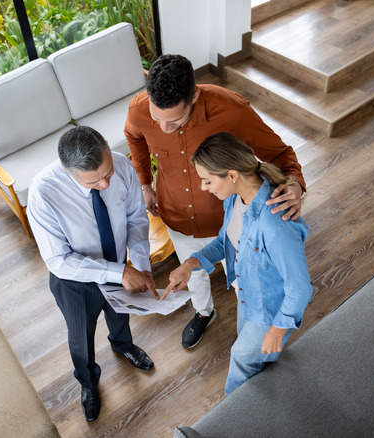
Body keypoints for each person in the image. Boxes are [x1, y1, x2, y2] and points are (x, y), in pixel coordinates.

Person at [124, 54, 307, 348]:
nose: (163, 129)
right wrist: (145, 182)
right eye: (157, 119)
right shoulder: (139, 109)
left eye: (174, 121)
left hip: (231, 223)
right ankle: (203, 312)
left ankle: (248, 327)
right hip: (176, 218)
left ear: (194, 95)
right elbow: (133, 137)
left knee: (243, 285)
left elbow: (280, 153)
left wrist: (295, 184)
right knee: (191, 276)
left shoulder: (233, 110)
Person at [163, 132, 313, 394]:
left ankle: (230, 419)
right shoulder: (235, 199)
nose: (203, 187)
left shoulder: (275, 223)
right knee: (257, 359)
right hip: (247, 297)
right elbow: (227, 242)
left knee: (241, 360)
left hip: (269, 312)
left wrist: (278, 330)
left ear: (232, 175)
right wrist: (190, 264)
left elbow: (300, 288)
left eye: (207, 181)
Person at [27, 126, 159, 422]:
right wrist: (119, 272)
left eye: (108, 174)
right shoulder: (43, 193)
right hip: (75, 280)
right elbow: (58, 260)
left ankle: (123, 344)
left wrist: (139, 266)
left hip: (120, 260)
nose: (105, 183)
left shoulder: (120, 164)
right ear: (69, 171)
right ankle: (88, 382)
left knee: (121, 313)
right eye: (94, 181)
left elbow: (136, 218)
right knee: (81, 336)